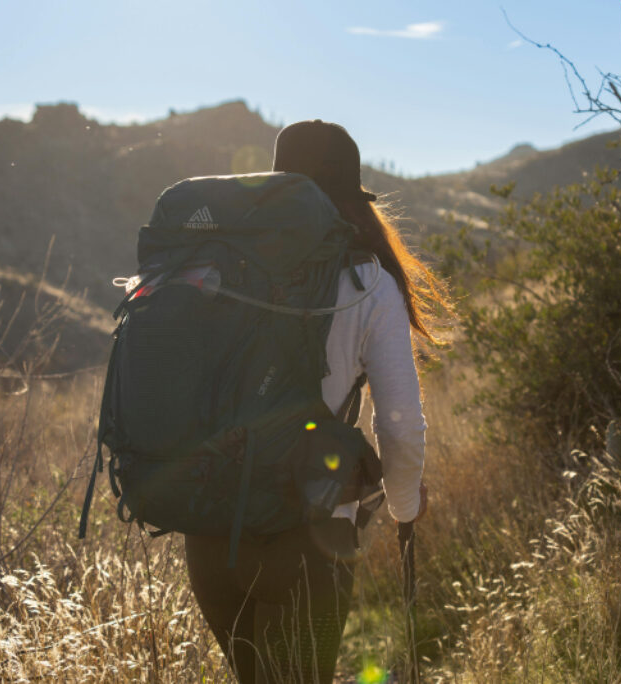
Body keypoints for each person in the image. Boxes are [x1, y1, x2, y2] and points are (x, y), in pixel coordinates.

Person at [183, 120, 447, 683]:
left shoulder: (215, 269)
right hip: (305, 538)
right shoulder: (367, 284)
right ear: (352, 200)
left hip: (209, 537)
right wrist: (404, 504)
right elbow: (400, 423)